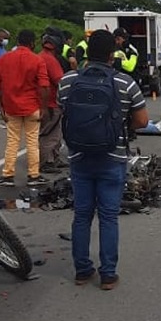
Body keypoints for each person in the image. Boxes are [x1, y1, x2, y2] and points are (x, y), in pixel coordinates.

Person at [58, 29, 149, 291]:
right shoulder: (124, 82)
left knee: (82, 215)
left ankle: (82, 271)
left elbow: (61, 109)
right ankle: (108, 274)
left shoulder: (68, 80)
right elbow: (142, 121)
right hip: (112, 156)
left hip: (78, 156)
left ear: (86, 52)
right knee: (109, 216)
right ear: (112, 54)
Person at [0, 29, 50, 187]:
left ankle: (8, 175)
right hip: (32, 106)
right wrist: (43, 107)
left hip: (10, 107)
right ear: (32, 43)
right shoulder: (37, 60)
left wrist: (0, 107)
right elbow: (44, 86)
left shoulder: (4, 59)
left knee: (12, 141)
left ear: (17, 41)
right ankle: (34, 175)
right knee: (32, 141)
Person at [38, 30, 66, 174]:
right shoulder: (50, 59)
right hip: (50, 103)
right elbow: (60, 80)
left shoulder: (41, 56)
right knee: (49, 134)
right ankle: (46, 162)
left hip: (45, 101)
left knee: (54, 133)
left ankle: (53, 158)